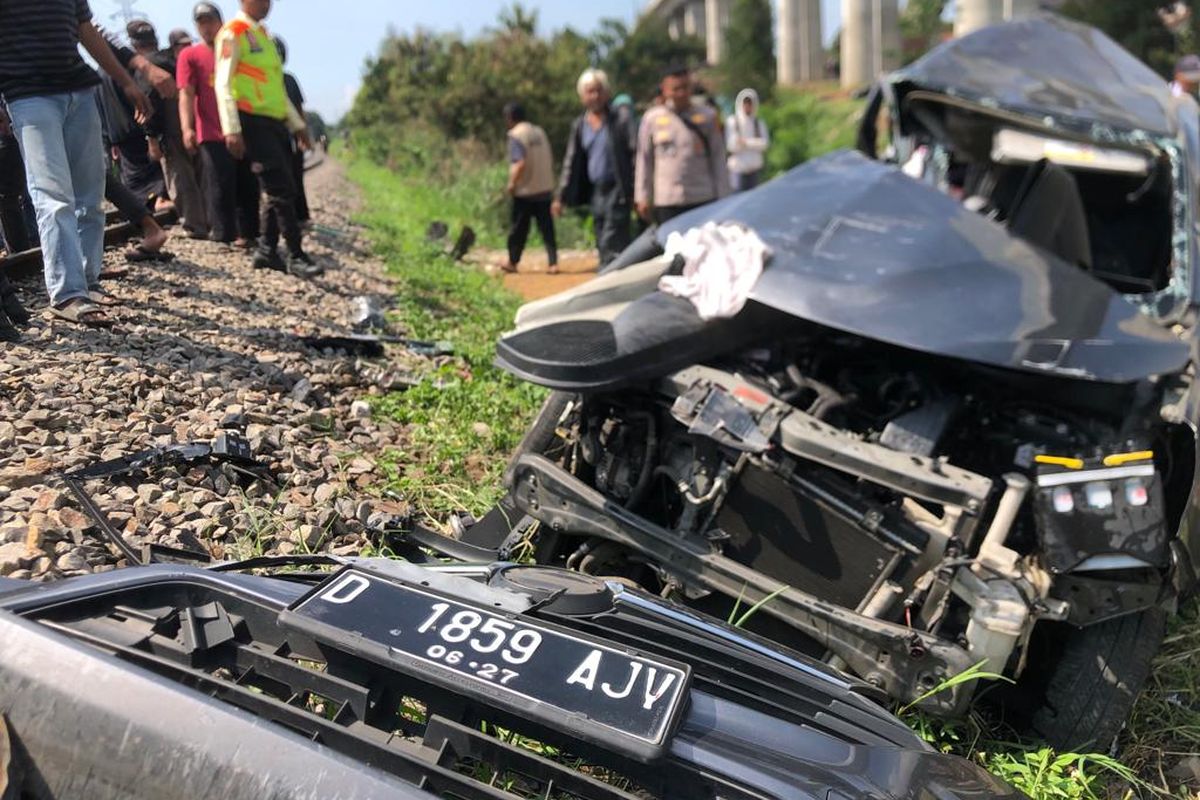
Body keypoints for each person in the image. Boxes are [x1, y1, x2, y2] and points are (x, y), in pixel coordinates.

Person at [0, 0, 152, 327]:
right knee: (52, 195)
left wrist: (125, 80)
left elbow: (86, 30)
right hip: (27, 94)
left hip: (79, 91)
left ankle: (88, 282)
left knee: (90, 196)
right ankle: (68, 294)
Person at [214, 0, 320, 278]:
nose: (267, 4)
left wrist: (297, 126)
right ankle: (295, 255)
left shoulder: (264, 37)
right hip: (251, 120)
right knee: (281, 187)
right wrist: (232, 128)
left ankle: (266, 250)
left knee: (280, 187)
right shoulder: (233, 32)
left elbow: (276, 90)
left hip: (274, 123)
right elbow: (223, 83)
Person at [179, 2, 255, 247]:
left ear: (220, 22)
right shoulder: (190, 55)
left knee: (248, 181)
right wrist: (187, 128)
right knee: (219, 185)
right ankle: (224, 235)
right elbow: (187, 94)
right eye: (201, 23)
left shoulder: (234, 47)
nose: (206, 28)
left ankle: (250, 234)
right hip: (211, 132)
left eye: (210, 21)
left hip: (243, 126)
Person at [127, 19, 208, 238]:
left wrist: (152, 138)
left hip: (170, 130)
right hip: (193, 123)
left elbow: (149, 104)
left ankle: (194, 226)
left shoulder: (148, 66)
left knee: (180, 178)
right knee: (200, 174)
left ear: (134, 44)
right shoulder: (176, 61)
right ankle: (209, 221)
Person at [553, 68, 637, 268]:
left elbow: (636, 154)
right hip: (596, 192)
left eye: (599, 90)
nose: (595, 96)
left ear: (607, 93)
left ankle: (609, 282)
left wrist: (637, 189)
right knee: (601, 238)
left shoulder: (621, 120)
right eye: (590, 92)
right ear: (582, 96)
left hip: (618, 190)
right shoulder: (580, 125)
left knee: (612, 239)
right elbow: (570, 161)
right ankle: (610, 277)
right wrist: (561, 195)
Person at [634, 65, 729, 225]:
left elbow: (719, 157)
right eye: (675, 89)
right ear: (664, 90)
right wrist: (642, 196)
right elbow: (644, 160)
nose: (681, 93)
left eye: (685, 87)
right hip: (668, 200)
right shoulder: (652, 119)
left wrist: (725, 196)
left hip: (702, 197)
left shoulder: (708, 116)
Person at [501, 102, 557, 274]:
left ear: (510, 118)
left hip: (525, 191)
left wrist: (511, 184)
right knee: (547, 229)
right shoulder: (539, 132)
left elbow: (520, 163)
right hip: (544, 188)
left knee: (518, 230)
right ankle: (553, 263)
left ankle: (512, 261)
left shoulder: (516, 135)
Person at [273, 37, 310, 225]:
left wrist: (303, 134)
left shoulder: (289, 80)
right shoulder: (261, 81)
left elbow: (299, 109)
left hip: (291, 136)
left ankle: (300, 216)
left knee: (295, 177)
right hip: (271, 136)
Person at [725, 88, 770, 192]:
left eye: (750, 103)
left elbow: (765, 144)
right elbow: (732, 146)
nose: (747, 106)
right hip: (738, 170)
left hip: (754, 170)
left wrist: (746, 142)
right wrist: (755, 143)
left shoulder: (758, 123)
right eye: (745, 103)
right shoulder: (733, 121)